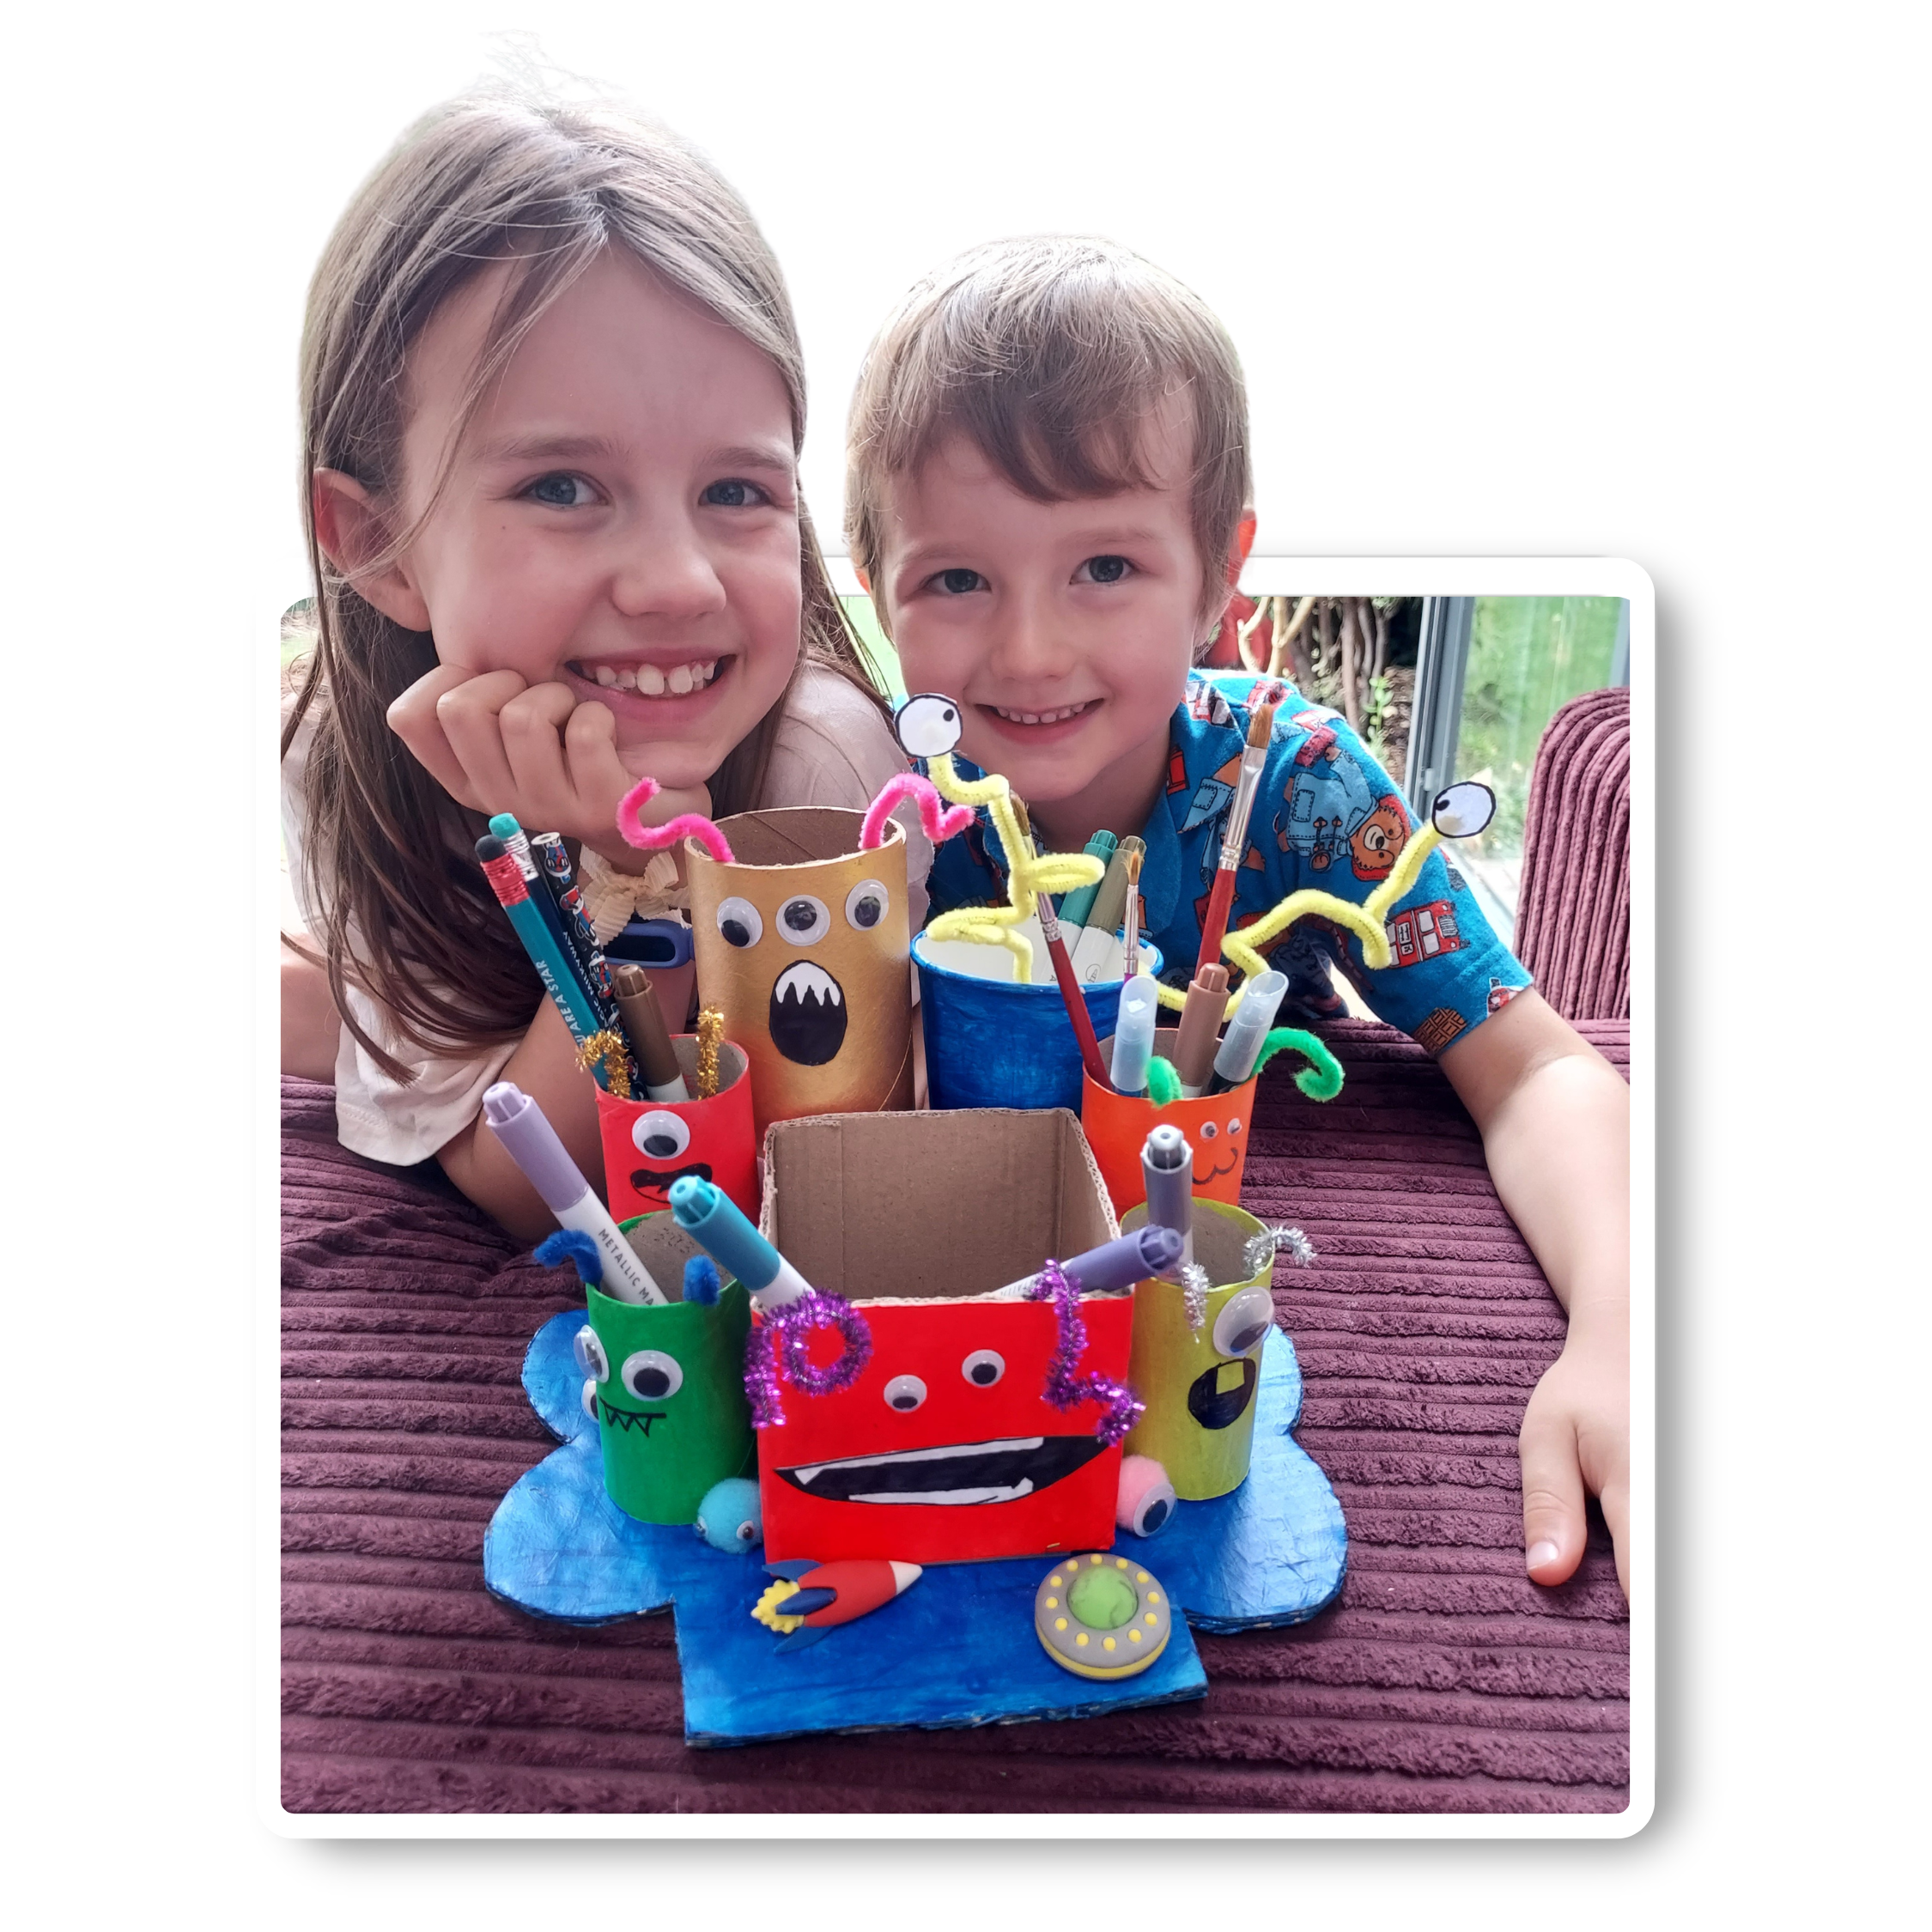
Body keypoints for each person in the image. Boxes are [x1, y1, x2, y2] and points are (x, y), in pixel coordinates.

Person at [840, 232, 1630, 1598]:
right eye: (956, 580)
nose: (1029, 650)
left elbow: (1542, 1068)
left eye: (1104, 568)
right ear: (871, 583)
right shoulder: (870, 811)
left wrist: (1626, 1327)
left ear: (1219, 574)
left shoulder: (1305, 786)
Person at [280, 37, 923, 1239]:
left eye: (738, 491)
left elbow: (786, 1160)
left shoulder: (824, 777)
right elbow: (522, 1192)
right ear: (374, 540)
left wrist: (640, 868)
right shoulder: (351, 777)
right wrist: (613, 886)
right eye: (564, 487)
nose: (679, 583)